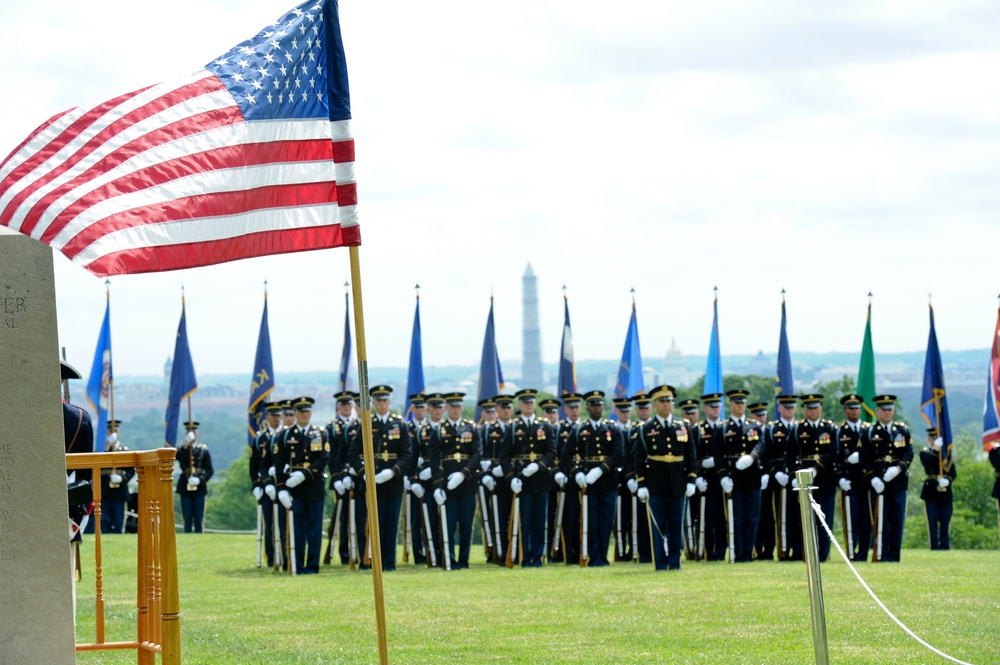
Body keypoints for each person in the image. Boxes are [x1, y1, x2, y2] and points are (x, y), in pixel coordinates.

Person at [349, 386, 412, 572]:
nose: (382, 404)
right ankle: (372, 560)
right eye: (378, 401)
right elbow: (353, 453)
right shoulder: (366, 423)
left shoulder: (399, 424)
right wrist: (365, 474)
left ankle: (389, 563)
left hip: (392, 482)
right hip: (372, 483)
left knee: (390, 525)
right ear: (373, 403)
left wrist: (393, 472)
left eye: (385, 400)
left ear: (389, 402)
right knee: (373, 525)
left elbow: (407, 454)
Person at [633, 385, 697, 571]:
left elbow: (691, 456)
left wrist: (691, 480)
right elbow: (638, 457)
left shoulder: (683, 426)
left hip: (677, 482)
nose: (667, 404)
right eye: (662, 401)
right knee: (658, 525)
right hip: (656, 482)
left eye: (669, 400)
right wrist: (642, 484)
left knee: (676, 524)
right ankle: (660, 563)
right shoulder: (646, 428)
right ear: (655, 404)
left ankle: (675, 563)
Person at [564, 390, 624, 566]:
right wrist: (576, 473)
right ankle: (592, 556)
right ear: (587, 408)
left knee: (605, 522)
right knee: (590, 521)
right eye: (593, 405)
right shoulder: (579, 430)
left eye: (599, 404)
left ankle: (602, 556)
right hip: (587, 483)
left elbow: (618, 454)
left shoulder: (612, 429)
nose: (596, 408)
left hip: (607, 481)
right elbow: (566, 456)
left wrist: (600, 470)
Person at [499, 388, 556, 567]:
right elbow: (504, 456)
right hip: (521, 479)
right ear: (520, 405)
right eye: (525, 402)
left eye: (531, 402)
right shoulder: (513, 427)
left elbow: (551, 452)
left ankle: (537, 557)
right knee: (525, 520)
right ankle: (525, 556)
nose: (528, 405)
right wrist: (510, 478)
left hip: (540, 478)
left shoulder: (545, 426)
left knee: (540, 521)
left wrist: (539, 466)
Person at [274, 397, 329, 574]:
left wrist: (304, 474)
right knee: (296, 529)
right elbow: (279, 464)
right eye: (301, 411)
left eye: (308, 411)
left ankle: (313, 566)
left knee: (314, 529)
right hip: (294, 489)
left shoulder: (320, 433)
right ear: (295, 413)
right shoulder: (285, 436)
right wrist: (281, 488)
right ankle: (296, 563)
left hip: (314, 487)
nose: (305, 414)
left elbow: (323, 459)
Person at [428, 392, 481, 569]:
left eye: (459, 406)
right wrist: (436, 486)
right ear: (446, 408)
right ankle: (449, 560)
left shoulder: (471, 428)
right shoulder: (439, 430)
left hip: (467, 483)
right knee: (448, 526)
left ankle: (464, 561)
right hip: (447, 485)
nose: (456, 409)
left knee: (466, 526)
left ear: (462, 407)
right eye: (453, 406)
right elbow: (434, 461)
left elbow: (477, 454)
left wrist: (464, 473)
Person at [785, 394, 838, 562]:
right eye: (809, 408)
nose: (813, 411)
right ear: (804, 410)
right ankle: (801, 552)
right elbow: (790, 454)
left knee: (824, 518)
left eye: (816, 407)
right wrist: (794, 475)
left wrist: (816, 468)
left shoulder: (829, 428)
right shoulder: (797, 429)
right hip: (803, 479)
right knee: (801, 518)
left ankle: (822, 554)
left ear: (821, 408)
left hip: (824, 479)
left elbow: (833, 452)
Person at [715, 389, 767, 563]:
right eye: (737, 403)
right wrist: (723, 476)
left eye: (743, 402)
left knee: (751, 518)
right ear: (730, 405)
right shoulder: (723, 428)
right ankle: (737, 552)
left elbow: (761, 444)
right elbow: (719, 454)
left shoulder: (754, 426)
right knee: (736, 518)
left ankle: (748, 552)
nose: (740, 405)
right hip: (733, 477)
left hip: (752, 477)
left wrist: (752, 457)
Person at [860, 394, 913, 562]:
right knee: (879, 519)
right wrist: (872, 478)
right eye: (884, 409)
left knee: (897, 520)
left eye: (890, 409)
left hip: (898, 482)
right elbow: (864, 458)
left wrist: (898, 469)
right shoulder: (869, 431)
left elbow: (909, 452)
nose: (888, 412)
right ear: (877, 411)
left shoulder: (902, 430)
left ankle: (894, 555)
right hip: (878, 482)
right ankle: (880, 554)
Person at [757, 394, 796, 560]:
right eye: (785, 407)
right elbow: (764, 455)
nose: (789, 410)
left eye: (791, 407)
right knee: (773, 515)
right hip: (776, 477)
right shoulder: (772, 429)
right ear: (779, 409)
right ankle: (774, 549)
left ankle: (795, 549)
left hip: (794, 476)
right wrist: (774, 472)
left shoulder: (798, 428)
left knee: (794, 515)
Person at [836, 393, 872, 561]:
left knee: (866, 520)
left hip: (867, 481)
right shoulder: (839, 432)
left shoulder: (868, 430)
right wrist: (840, 478)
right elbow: (836, 458)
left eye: (857, 408)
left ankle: (863, 553)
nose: (855, 411)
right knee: (850, 520)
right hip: (849, 482)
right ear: (845, 411)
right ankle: (851, 552)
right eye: (851, 408)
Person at [250, 402, 282, 567]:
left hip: (283, 486)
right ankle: (271, 558)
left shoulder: (284, 434)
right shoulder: (260, 438)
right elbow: (254, 465)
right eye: (273, 415)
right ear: (267, 417)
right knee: (269, 524)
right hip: (266, 489)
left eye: (278, 415)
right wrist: (256, 485)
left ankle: (284, 556)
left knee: (283, 524)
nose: (276, 419)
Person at [695, 393, 727, 560]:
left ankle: (721, 552)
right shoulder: (698, 430)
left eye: (718, 407)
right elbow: (693, 456)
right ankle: (708, 551)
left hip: (722, 479)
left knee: (723, 519)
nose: (715, 410)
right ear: (706, 409)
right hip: (706, 480)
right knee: (708, 518)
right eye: (712, 407)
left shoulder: (724, 428)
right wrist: (698, 475)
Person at [552, 393, 582, 564]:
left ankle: (580, 551)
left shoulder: (585, 428)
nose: (575, 410)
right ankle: (566, 553)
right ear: (565, 409)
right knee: (567, 519)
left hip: (583, 478)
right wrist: (557, 472)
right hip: (566, 480)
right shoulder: (558, 430)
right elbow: (554, 455)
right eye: (571, 407)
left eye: (577, 407)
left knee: (582, 518)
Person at [328, 391, 356, 565]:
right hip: (340, 479)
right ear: (338, 406)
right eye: (343, 404)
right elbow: (331, 456)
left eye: (349, 404)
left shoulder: (357, 424)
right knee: (343, 517)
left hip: (355, 475)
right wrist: (337, 477)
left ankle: (358, 550)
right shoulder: (332, 427)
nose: (346, 407)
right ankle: (344, 552)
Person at [919, 428, 956, 550]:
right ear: (929, 439)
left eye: (937, 438)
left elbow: (953, 472)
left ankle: (945, 545)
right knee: (932, 521)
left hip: (945, 491)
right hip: (931, 490)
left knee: (945, 520)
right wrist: (936, 450)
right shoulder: (925, 452)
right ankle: (934, 545)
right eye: (933, 438)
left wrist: (948, 480)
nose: (934, 440)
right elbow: (929, 463)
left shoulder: (947, 455)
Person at [175, 421, 213, 534]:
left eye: (193, 432)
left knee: (198, 517)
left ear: (197, 434)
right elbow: (177, 456)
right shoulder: (183, 449)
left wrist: (200, 479)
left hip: (199, 487)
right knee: (187, 517)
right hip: (185, 485)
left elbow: (210, 470)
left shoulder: (203, 450)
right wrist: (186, 443)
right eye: (188, 432)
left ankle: (199, 536)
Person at [404, 394, 429, 565]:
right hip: (412, 480)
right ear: (411, 409)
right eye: (416, 407)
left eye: (422, 407)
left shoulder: (433, 427)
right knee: (414, 519)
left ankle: (432, 551)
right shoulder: (405, 428)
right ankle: (417, 554)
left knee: (432, 518)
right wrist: (409, 478)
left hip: (430, 477)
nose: (419, 410)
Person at [99, 420, 134, 534]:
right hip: (105, 491)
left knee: (119, 522)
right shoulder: (102, 451)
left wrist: (122, 477)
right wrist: (107, 447)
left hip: (119, 492)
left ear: (119, 433)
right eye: (110, 431)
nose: (112, 433)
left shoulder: (125, 451)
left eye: (115, 430)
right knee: (105, 521)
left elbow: (131, 471)